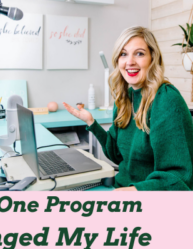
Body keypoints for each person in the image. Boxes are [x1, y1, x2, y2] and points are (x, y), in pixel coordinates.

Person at [63, 26, 193, 191]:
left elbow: (179, 177)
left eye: (139, 53)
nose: (130, 61)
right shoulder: (125, 98)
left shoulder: (167, 100)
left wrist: (134, 191)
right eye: (123, 54)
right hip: (121, 188)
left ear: (153, 58)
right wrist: (91, 122)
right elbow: (118, 155)